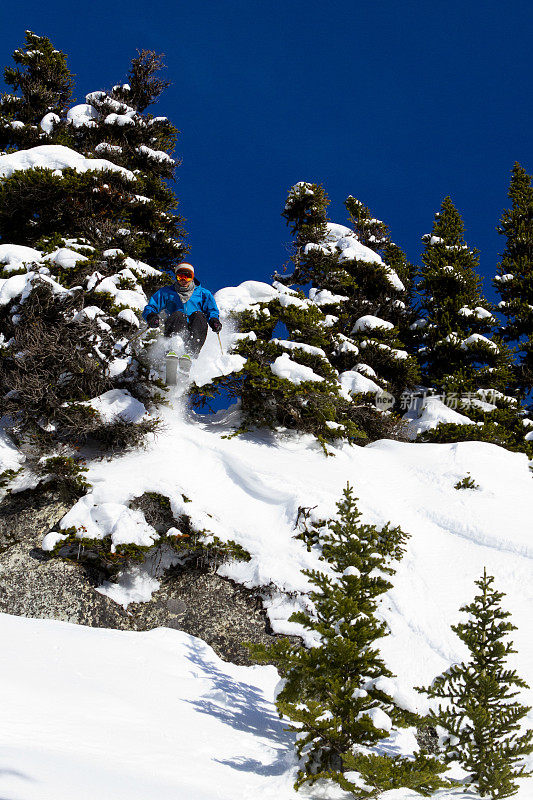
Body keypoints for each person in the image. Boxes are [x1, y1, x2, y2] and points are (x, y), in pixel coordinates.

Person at [142, 262, 221, 372]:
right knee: (179, 314)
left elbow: (211, 310)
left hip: (196, 327)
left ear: (192, 278)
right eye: (180, 277)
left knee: (198, 315)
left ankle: (190, 355)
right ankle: (172, 352)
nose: (184, 280)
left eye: (187, 277)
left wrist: (214, 320)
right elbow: (151, 306)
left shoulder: (203, 293)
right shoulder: (166, 292)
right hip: (175, 325)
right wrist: (151, 316)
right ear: (176, 277)